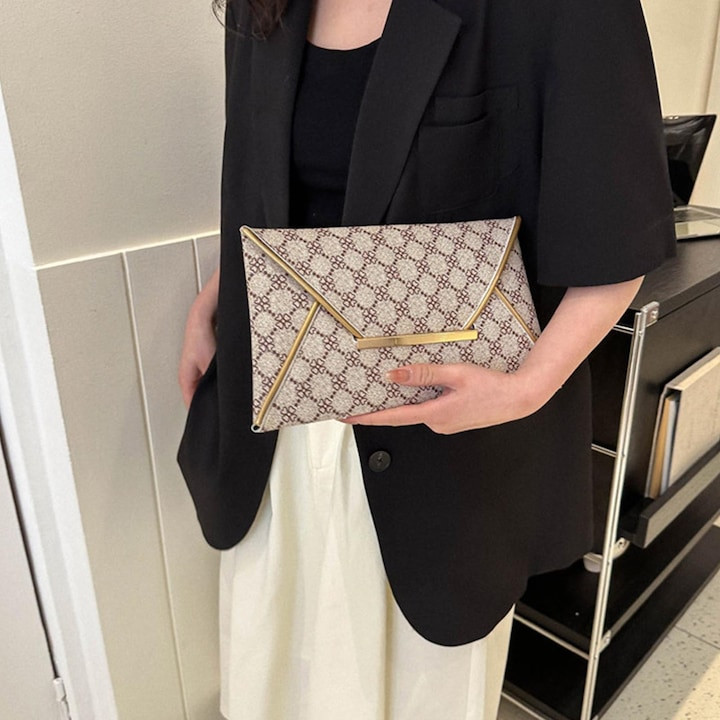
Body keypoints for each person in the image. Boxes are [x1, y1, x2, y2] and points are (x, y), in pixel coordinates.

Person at [177, 0, 676, 718]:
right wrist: (223, 291)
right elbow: (282, 177)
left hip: (447, 452)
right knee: (276, 676)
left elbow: (616, 237)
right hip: (277, 427)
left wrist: (526, 389)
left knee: (420, 693)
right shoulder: (265, 6)